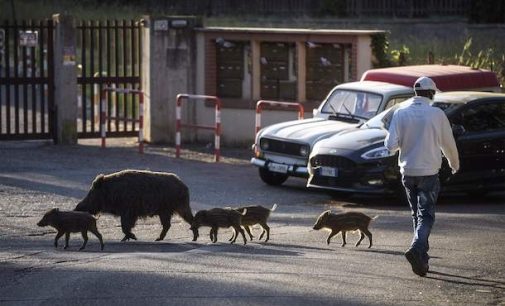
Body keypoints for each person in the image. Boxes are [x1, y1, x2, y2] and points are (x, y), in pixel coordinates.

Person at [384, 76, 459, 277]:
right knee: (426, 216)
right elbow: (448, 144)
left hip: (408, 173)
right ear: (432, 94)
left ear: (416, 93)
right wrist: (454, 164)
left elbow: (390, 146)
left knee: (417, 215)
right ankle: (417, 249)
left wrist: (403, 140)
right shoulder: (437, 114)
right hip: (429, 173)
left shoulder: (400, 113)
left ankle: (422, 262)